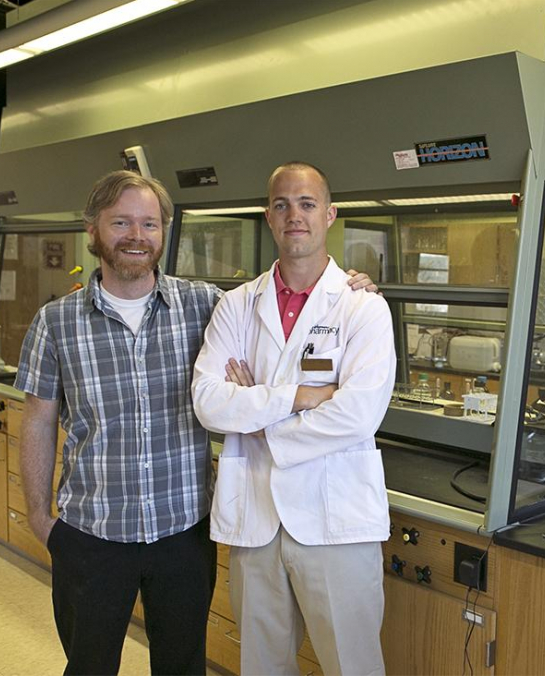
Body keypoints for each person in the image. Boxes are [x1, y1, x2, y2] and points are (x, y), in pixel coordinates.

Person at [16, 170, 376, 675]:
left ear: (164, 231)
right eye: (121, 222)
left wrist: (351, 284)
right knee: (88, 666)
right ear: (93, 229)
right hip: (91, 533)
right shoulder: (55, 321)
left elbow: (294, 316)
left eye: (149, 223)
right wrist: (38, 515)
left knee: (183, 666)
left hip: (183, 532)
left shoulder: (204, 304)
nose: (136, 236)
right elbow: (38, 420)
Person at [191, 162, 396, 676]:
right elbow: (209, 401)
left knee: (352, 665)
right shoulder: (237, 305)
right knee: (262, 665)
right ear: (268, 217)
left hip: (335, 519)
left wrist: (257, 414)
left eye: (306, 205)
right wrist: (300, 396)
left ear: (329, 215)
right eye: (281, 205)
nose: (294, 216)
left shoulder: (361, 307)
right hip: (255, 520)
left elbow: (358, 413)